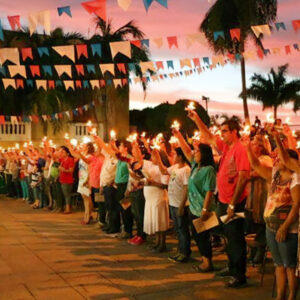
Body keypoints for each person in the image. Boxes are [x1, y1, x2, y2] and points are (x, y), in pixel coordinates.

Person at [188, 110, 250, 288]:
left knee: (235, 238)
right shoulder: (227, 148)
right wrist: (197, 119)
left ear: (233, 132)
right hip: (224, 201)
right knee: (229, 237)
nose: (221, 134)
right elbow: (209, 138)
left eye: (224, 131)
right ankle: (231, 267)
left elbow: (243, 177)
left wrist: (232, 204)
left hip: (234, 203)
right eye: (221, 131)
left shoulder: (239, 149)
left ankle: (239, 275)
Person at [244, 134, 300, 300]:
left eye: (281, 157)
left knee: (289, 265)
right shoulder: (275, 174)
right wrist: (247, 146)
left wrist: (284, 227)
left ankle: (291, 296)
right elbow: (255, 164)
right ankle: (280, 296)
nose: (276, 158)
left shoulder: (295, 178)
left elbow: (297, 205)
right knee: (278, 264)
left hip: (287, 228)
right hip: (271, 227)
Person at [174, 128, 217, 269]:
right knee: (197, 236)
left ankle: (207, 262)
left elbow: (209, 191)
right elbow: (186, 151)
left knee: (203, 237)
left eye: (197, 151)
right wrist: (178, 135)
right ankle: (204, 259)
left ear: (204, 154)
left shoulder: (208, 170)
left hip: (202, 209)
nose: (194, 153)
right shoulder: (194, 167)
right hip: (193, 207)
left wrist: (205, 209)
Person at [154, 146, 191, 262]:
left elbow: (187, 188)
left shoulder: (186, 170)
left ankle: (184, 252)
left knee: (182, 229)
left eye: (175, 154)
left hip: (180, 204)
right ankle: (180, 251)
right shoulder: (175, 167)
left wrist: (181, 205)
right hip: (173, 202)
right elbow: (164, 171)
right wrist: (158, 157)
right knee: (178, 229)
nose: (173, 156)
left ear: (180, 156)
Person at [132, 143, 170, 253]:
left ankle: (162, 244)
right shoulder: (150, 165)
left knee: (160, 221)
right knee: (155, 221)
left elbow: (164, 185)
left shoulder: (163, 169)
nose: (152, 158)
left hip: (158, 197)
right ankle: (157, 242)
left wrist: (152, 182)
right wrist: (135, 146)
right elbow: (140, 159)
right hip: (150, 198)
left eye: (154, 156)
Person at [58, 146, 75, 214]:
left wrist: (63, 170)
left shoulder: (70, 159)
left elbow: (71, 170)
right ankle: (66, 207)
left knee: (67, 194)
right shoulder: (62, 159)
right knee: (65, 194)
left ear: (67, 153)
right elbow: (54, 157)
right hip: (62, 179)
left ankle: (68, 209)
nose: (61, 153)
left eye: (63, 152)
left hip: (67, 180)